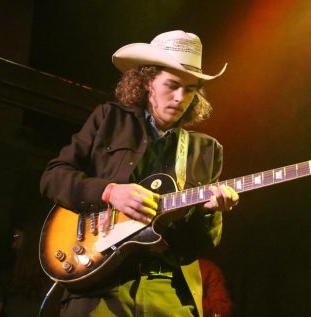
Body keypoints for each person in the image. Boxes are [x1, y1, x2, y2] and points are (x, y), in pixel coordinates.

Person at [39, 30, 239, 317]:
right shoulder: (109, 119)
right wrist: (109, 192)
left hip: (166, 288)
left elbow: (200, 245)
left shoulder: (206, 150)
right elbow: (53, 177)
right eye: (172, 85)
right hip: (98, 286)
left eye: (191, 89)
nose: (181, 98)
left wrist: (211, 212)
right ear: (147, 82)